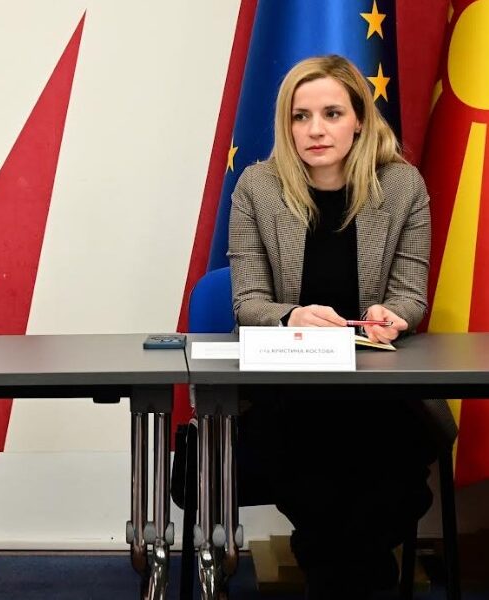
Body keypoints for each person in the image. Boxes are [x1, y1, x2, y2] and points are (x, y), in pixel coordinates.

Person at [228, 54, 455, 598]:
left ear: (359, 120)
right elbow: (249, 303)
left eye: (331, 113)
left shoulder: (401, 186)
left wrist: (393, 315)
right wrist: (292, 317)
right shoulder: (258, 187)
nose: (315, 130)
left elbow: (410, 294)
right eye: (300, 116)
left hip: (380, 394)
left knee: (379, 492)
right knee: (329, 492)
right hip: (291, 394)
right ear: (286, 126)